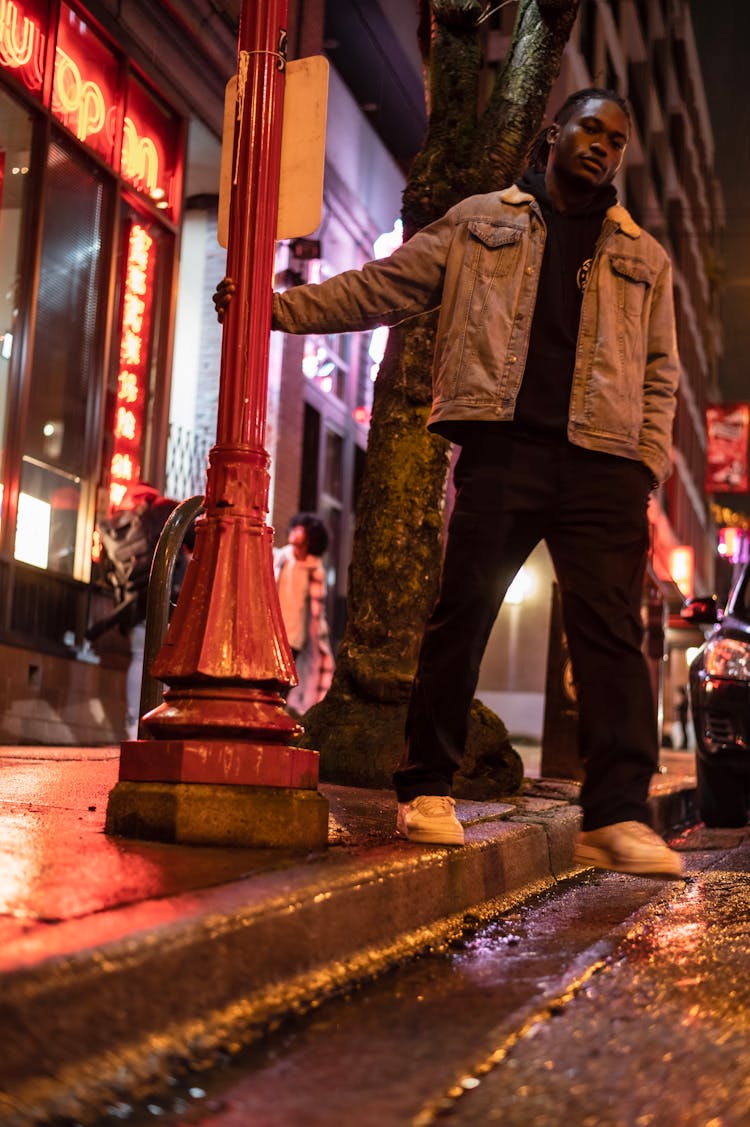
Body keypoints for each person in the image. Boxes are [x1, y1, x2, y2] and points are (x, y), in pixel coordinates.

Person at [216, 88, 683, 878]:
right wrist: (278, 312)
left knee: (614, 641)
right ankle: (426, 785)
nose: (604, 146)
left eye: (617, 139)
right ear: (552, 134)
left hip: (605, 464)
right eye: (590, 129)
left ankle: (617, 813)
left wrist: (647, 462)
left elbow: (660, 373)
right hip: (506, 450)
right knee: (462, 612)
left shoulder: (644, 255)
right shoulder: (478, 220)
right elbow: (384, 285)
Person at [87, 483, 192, 740]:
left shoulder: (120, 523)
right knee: (168, 660)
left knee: (138, 657)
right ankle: (162, 724)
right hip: (167, 599)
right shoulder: (167, 510)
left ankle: (134, 725)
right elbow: (194, 539)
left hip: (135, 603)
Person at [273, 513, 334, 714]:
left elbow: (317, 610)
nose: (294, 531)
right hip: (272, 632)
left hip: (294, 637)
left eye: (300, 529)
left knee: (282, 687)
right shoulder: (281, 558)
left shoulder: (315, 569)